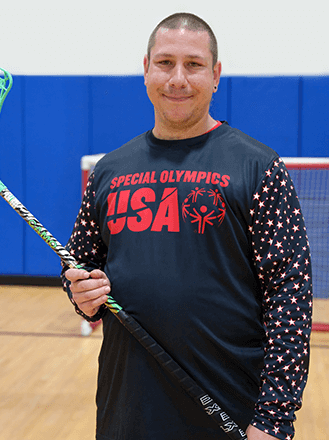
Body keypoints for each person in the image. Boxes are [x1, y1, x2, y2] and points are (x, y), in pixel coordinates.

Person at [61, 13, 311, 440]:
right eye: (165, 63)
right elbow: (79, 268)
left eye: (193, 65)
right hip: (126, 408)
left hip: (228, 406)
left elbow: (291, 297)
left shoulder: (258, 167)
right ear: (146, 69)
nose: (178, 78)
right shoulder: (110, 170)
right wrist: (81, 294)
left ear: (215, 75)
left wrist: (273, 419)